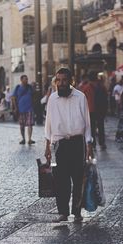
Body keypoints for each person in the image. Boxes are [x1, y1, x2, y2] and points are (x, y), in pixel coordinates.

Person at [44, 67, 93, 223]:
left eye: (64, 80)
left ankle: (77, 212)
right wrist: (47, 146)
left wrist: (88, 144)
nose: (61, 83)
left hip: (77, 142)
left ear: (71, 81)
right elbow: (48, 123)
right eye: (58, 80)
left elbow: (87, 123)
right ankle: (63, 212)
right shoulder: (52, 99)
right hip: (59, 144)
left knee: (78, 179)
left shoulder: (80, 97)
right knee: (60, 180)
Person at [12, 75, 35, 145]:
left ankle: (30, 139)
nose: (26, 81)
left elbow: (34, 95)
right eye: (25, 79)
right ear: (21, 80)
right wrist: (15, 108)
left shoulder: (30, 87)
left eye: (27, 79)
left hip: (29, 108)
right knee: (22, 125)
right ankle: (23, 139)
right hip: (21, 109)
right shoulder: (18, 87)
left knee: (30, 124)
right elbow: (13, 98)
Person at [79, 71, 97, 149]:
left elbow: (81, 98)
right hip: (93, 109)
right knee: (92, 128)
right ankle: (93, 144)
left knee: (87, 128)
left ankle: (89, 144)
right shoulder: (94, 86)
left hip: (87, 110)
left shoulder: (85, 87)